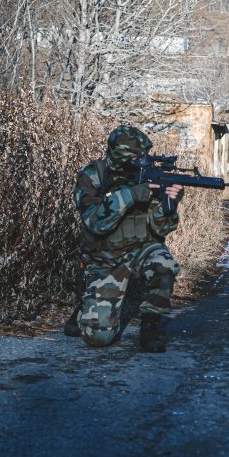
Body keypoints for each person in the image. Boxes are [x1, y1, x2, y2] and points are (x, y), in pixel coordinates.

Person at [66, 125, 184, 352]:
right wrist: (130, 195)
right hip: (105, 259)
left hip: (142, 249)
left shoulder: (149, 175)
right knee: (98, 338)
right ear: (122, 156)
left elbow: (160, 229)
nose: (145, 160)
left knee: (164, 265)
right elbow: (95, 223)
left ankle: (151, 325)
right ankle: (85, 305)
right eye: (138, 157)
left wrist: (170, 205)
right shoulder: (93, 175)